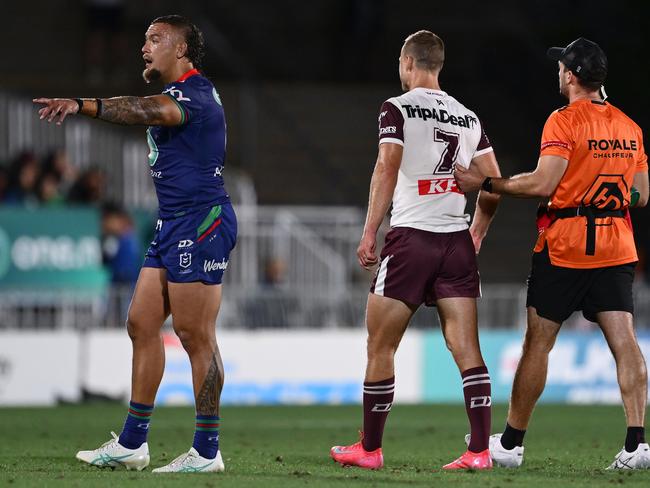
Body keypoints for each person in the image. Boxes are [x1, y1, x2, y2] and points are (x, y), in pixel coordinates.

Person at [34, 15, 236, 473]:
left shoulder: (193, 94)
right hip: (172, 224)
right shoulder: (181, 92)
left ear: (181, 50)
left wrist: (83, 104)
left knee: (194, 334)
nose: (145, 47)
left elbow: (146, 111)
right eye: (144, 38)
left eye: (156, 39)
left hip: (202, 222)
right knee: (142, 323)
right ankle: (132, 443)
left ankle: (207, 451)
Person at [455, 38, 650, 470]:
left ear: (571, 75)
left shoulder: (562, 121)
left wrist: (489, 184)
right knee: (625, 341)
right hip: (616, 244)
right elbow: (640, 195)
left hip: (566, 246)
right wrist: (608, 189)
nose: (558, 72)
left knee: (538, 343)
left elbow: (543, 184)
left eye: (562, 66)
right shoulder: (629, 126)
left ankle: (510, 444)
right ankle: (637, 443)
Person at [330, 30, 501, 470]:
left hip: (411, 240)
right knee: (467, 348)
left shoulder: (398, 107)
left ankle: (369, 449)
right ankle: (480, 451)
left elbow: (387, 165)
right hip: (455, 240)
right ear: (438, 65)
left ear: (408, 63)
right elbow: (494, 184)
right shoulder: (468, 116)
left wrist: (370, 231)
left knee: (381, 345)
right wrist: (476, 232)